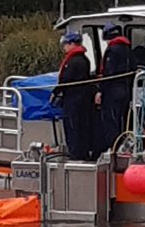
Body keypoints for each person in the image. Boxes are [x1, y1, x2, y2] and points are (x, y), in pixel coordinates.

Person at [52, 32, 96, 161]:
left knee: (72, 127)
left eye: (66, 44)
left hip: (73, 99)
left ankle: (76, 153)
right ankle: (82, 151)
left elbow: (66, 79)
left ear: (72, 44)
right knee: (81, 126)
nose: (64, 47)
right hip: (82, 98)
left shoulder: (73, 61)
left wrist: (55, 92)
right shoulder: (84, 59)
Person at [96, 23, 134, 153]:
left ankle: (113, 148)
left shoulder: (112, 50)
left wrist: (100, 91)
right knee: (123, 120)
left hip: (113, 91)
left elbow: (109, 73)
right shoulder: (128, 49)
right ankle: (123, 146)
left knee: (111, 120)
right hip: (126, 90)